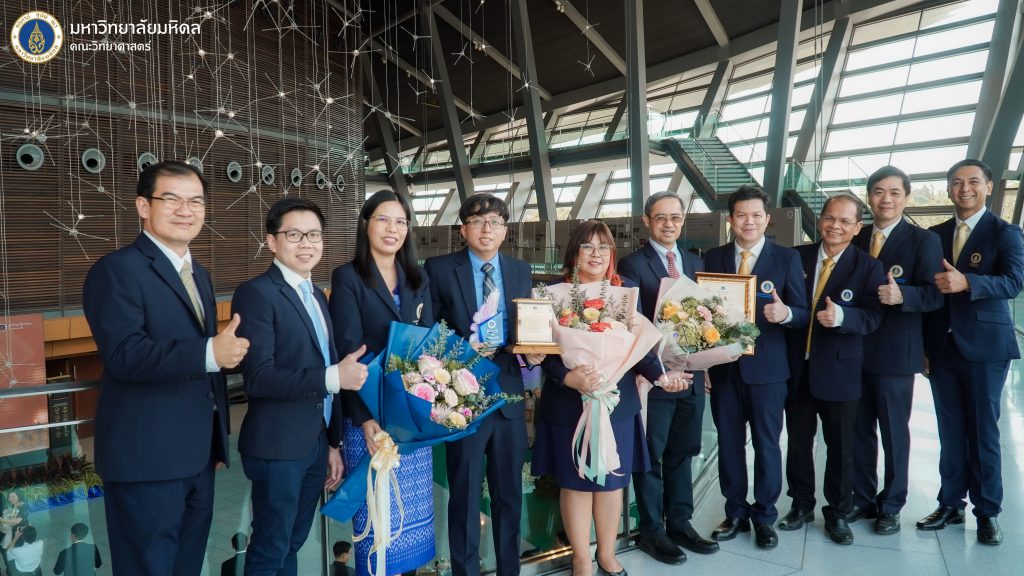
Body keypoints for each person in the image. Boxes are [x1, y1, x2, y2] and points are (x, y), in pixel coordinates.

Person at [82, 160, 249, 575]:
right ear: (143, 206)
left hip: (197, 458)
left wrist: (216, 442)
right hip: (146, 460)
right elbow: (125, 355)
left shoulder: (199, 274)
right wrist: (209, 352)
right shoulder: (116, 270)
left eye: (196, 202)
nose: (186, 210)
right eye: (171, 199)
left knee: (186, 566)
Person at [535, 219, 689, 576]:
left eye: (603, 247)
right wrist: (568, 377)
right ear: (574, 253)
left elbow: (640, 348)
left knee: (612, 481)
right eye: (588, 246)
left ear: (612, 253)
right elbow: (542, 350)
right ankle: (581, 559)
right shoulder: (551, 294)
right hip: (569, 402)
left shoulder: (626, 290)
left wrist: (662, 377)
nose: (596, 254)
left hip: (617, 402)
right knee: (575, 483)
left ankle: (606, 553)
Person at [231, 197, 369, 575]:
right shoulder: (256, 293)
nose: (306, 243)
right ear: (272, 241)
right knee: (270, 548)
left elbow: (326, 362)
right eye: (294, 235)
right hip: (277, 447)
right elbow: (258, 377)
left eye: (314, 235)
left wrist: (332, 443)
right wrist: (333, 378)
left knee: (292, 542)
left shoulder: (316, 294)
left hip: (314, 444)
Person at [423, 193, 532, 576]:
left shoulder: (520, 269)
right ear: (463, 228)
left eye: (495, 222)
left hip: (508, 395)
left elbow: (526, 326)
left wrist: (533, 350)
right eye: (478, 221)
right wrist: (461, 351)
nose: (487, 229)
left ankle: (509, 571)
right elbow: (431, 330)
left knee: (509, 496)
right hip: (462, 396)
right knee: (465, 496)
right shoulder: (438, 268)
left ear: (505, 230)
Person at [918, 159, 1024, 545]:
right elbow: (927, 294)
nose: (965, 188)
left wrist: (968, 282)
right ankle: (950, 503)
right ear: (948, 189)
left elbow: (1014, 282)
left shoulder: (1005, 233)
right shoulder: (935, 235)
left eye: (973, 181)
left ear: (989, 187)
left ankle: (987, 512)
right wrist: (924, 347)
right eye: (957, 182)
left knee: (982, 432)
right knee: (950, 431)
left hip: (985, 348)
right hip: (942, 347)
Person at [329, 190, 435, 575]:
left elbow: (429, 344)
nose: (393, 229)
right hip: (370, 421)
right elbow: (349, 350)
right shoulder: (348, 277)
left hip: (411, 420)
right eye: (384, 220)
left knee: (412, 526)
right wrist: (364, 418)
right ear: (366, 224)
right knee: (377, 524)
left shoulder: (417, 278)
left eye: (401, 222)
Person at [703, 185, 809, 549]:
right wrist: (703, 364)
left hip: (768, 371)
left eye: (756, 215)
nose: (749, 222)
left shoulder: (787, 259)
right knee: (729, 444)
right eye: (741, 215)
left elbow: (803, 314)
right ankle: (734, 511)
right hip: (724, 370)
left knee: (767, 445)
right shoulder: (714, 257)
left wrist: (787, 313)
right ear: (730, 219)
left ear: (767, 219)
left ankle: (765, 516)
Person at [617, 191, 717, 564]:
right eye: (661, 217)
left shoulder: (695, 262)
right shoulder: (631, 265)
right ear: (647, 221)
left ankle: (680, 523)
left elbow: (709, 318)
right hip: (655, 379)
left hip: (691, 376)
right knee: (652, 455)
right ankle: (651, 531)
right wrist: (660, 370)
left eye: (675, 217)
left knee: (684, 451)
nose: (669, 224)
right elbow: (635, 325)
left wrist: (705, 363)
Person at [780, 194, 885, 545]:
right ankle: (800, 504)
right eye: (829, 218)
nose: (834, 226)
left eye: (844, 221)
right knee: (798, 442)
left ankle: (838, 511)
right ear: (820, 219)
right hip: (797, 367)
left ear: (857, 228)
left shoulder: (868, 266)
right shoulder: (795, 256)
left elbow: (873, 317)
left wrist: (842, 317)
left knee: (841, 446)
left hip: (840, 371)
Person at [848, 166, 943, 535]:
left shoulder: (923, 241)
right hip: (853, 350)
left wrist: (904, 294)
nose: (885, 199)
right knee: (859, 431)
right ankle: (862, 498)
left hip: (895, 354)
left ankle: (891, 504)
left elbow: (935, 295)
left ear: (906, 197)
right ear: (869, 197)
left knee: (894, 434)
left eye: (894, 192)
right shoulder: (855, 236)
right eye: (878, 192)